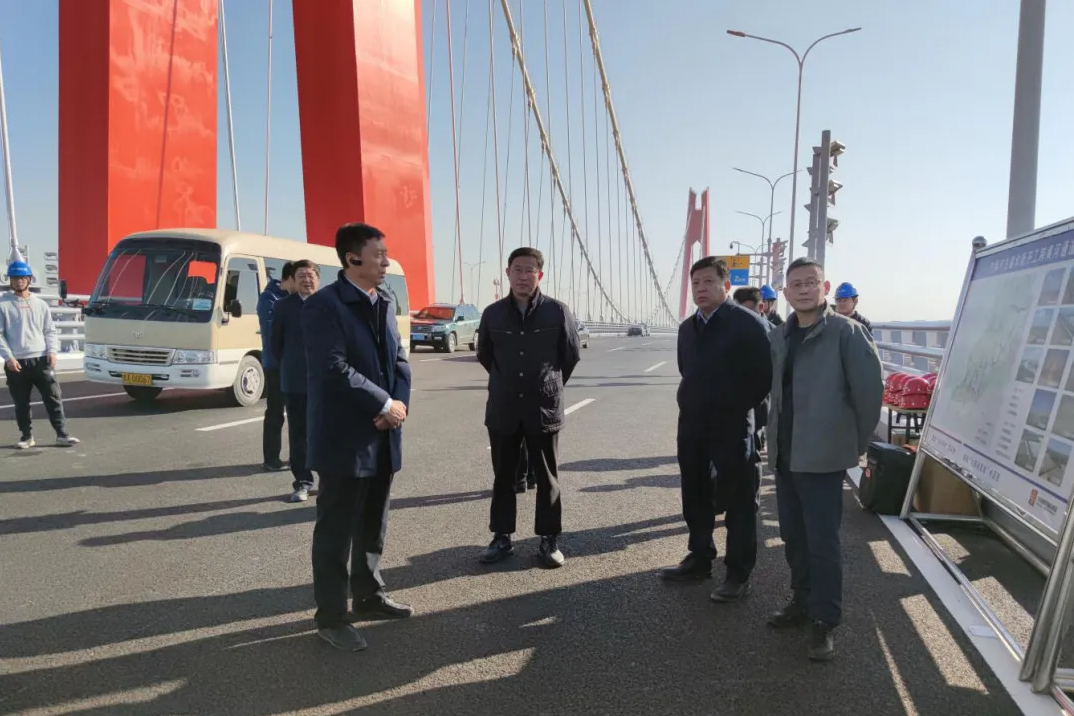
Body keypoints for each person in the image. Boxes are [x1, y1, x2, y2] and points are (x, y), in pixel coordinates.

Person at [302, 223, 413, 652]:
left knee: (373, 522)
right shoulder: (324, 306)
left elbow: (399, 360)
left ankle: (369, 595)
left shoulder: (384, 300)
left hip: (383, 432)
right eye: (379, 254)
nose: (386, 262)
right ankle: (332, 616)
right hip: (344, 437)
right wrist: (382, 403)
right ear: (352, 259)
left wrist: (397, 406)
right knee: (336, 531)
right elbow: (332, 368)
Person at [767, 257, 882, 662]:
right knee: (793, 535)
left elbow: (869, 396)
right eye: (795, 284)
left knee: (822, 541)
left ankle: (825, 619)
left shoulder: (846, 332)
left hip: (822, 457)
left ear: (825, 287)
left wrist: (851, 444)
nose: (802, 289)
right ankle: (801, 601)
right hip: (786, 454)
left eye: (810, 282)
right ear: (785, 292)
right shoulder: (780, 335)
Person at [662, 258, 772, 605]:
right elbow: (687, 370)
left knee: (739, 501)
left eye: (708, 282)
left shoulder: (748, 324)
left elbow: (763, 377)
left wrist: (736, 407)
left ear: (726, 285)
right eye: (695, 283)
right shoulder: (687, 328)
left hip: (733, 426)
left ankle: (738, 574)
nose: (700, 289)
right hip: (693, 424)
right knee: (694, 494)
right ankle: (699, 557)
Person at [477, 247, 581, 568]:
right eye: (518, 270)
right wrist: (508, 382)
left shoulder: (557, 312)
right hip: (504, 407)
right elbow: (485, 355)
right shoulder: (492, 313)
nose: (523, 276)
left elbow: (570, 355)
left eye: (530, 270)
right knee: (503, 476)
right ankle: (502, 537)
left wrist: (548, 384)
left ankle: (549, 540)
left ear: (540, 275)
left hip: (543, 408)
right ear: (507, 273)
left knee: (547, 477)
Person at [1, 260, 79, 449]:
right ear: (10, 280)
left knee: (53, 397)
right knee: (21, 402)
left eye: (22, 278)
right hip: (17, 362)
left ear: (29, 279)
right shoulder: (3, 304)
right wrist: (9, 357)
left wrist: (52, 351)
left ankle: (62, 435)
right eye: (15, 278)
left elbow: (49, 330)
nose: (19, 281)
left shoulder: (41, 304)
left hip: (41, 360)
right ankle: (26, 437)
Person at [272, 259, 321, 503]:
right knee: (299, 435)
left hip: (326, 382)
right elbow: (276, 344)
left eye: (310, 275)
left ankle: (330, 480)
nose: (306, 280)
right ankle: (302, 482)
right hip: (295, 382)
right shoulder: (283, 306)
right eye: (301, 276)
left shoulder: (329, 304)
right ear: (293, 280)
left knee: (325, 433)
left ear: (318, 279)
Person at [257, 261, 295, 472]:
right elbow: (273, 332)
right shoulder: (269, 298)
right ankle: (271, 459)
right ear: (289, 278)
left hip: (295, 364)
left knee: (298, 412)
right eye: (299, 279)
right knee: (275, 412)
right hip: (276, 364)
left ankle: (297, 456)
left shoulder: (292, 298)